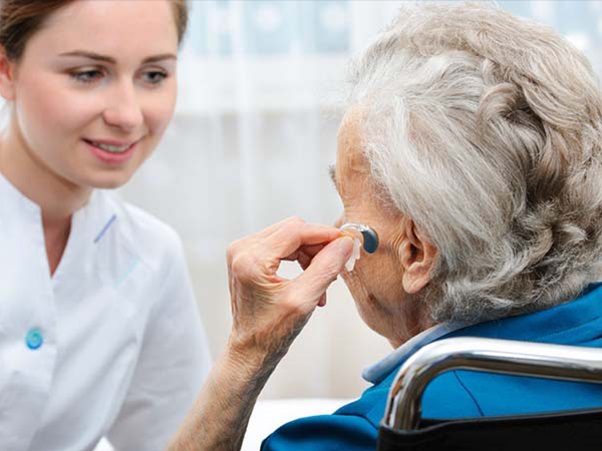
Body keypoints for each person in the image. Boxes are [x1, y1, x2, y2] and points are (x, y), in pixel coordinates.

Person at [167, 3, 602, 451]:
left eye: (347, 204)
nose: (335, 227)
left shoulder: (370, 434)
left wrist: (247, 350)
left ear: (415, 252)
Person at [0, 1, 211, 450]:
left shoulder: (151, 256)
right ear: (6, 70)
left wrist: (250, 353)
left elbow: (173, 440)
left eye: (153, 75)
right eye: (87, 74)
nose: (128, 115)